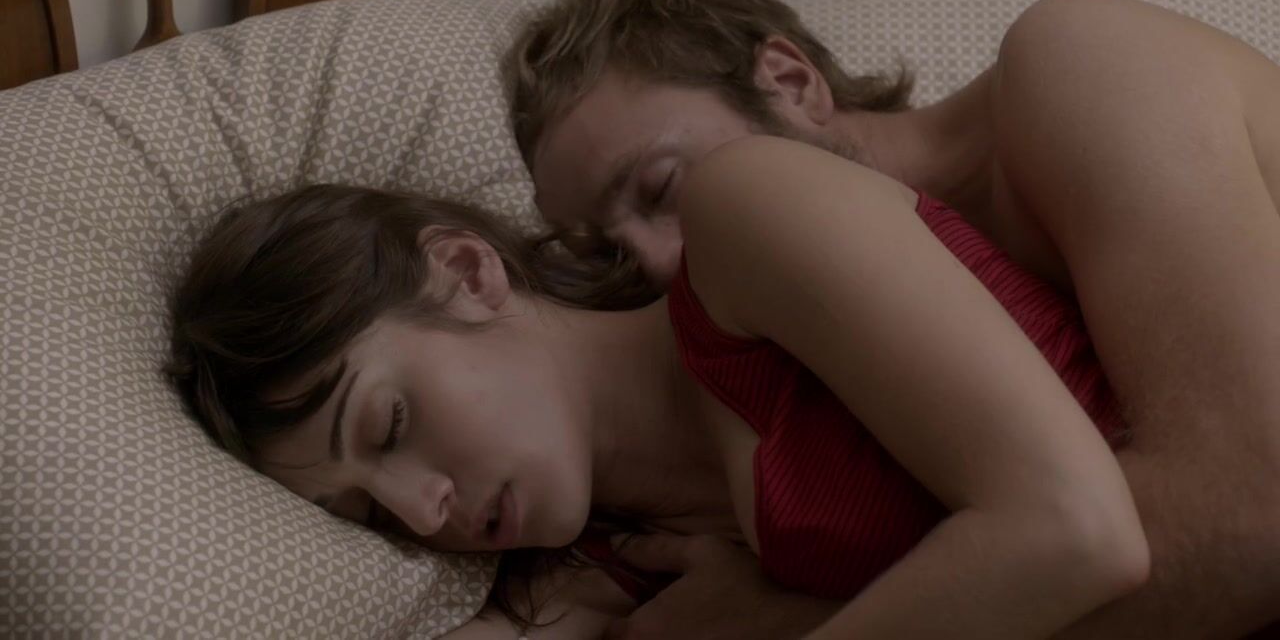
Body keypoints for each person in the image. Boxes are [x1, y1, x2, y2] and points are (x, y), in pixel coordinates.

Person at [507, 0, 1280, 638]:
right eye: (609, 255)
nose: (658, 264)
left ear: (789, 82)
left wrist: (794, 624)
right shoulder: (841, 386)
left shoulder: (1078, 65)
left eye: (662, 188)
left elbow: (1255, 513)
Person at [169, 173, 1148, 639]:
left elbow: (1076, 531)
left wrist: (776, 621)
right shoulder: (602, 573)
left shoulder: (749, 227)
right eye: (366, 511)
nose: (422, 513)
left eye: (389, 426)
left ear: (467, 272)